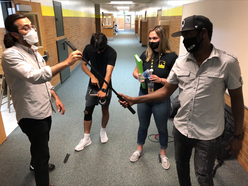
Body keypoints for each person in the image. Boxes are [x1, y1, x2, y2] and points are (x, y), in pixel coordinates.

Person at [119, 15, 244, 186]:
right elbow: (165, 92)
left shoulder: (227, 63)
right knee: (182, 171)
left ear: (203, 33)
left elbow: (237, 99)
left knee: (203, 176)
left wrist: (238, 135)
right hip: (181, 129)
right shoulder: (181, 62)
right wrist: (135, 99)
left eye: (188, 35)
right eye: (183, 36)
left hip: (208, 134)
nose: (185, 40)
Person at [1, 13, 82, 186]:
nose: (31, 30)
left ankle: (33, 163)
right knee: (42, 153)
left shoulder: (33, 50)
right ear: (15, 34)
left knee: (41, 142)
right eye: (26, 28)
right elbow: (34, 76)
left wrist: (55, 96)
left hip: (45, 107)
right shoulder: (10, 55)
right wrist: (66, 63)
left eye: (31, 26)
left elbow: (44, 80)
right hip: (31, 114)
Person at [130, 25, 177, 170]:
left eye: (155, 38)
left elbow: (176, 80)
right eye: (150, 38)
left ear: (162, 39)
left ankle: (163, 153)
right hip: (144, 95)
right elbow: (135, 71)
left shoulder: (172, 57)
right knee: (143, 125)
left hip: (161, 98)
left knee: (162, 127)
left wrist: (161, 80)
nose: (151, 41)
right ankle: (139, 149)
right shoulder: (145, 54)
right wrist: (138, 76)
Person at [75, 33, 117, 151]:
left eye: (101, 50)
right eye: (96, 50)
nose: (98, 52)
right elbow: (83, 65)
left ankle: (103, 131)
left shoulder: (111, 52)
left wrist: (104, 89)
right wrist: (91, 76)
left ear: (106, 44)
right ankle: (86, 138)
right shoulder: (89, 48)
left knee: (105, 109)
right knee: (87, 110)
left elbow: (108, 73)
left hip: (105, 85)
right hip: (92, 85)